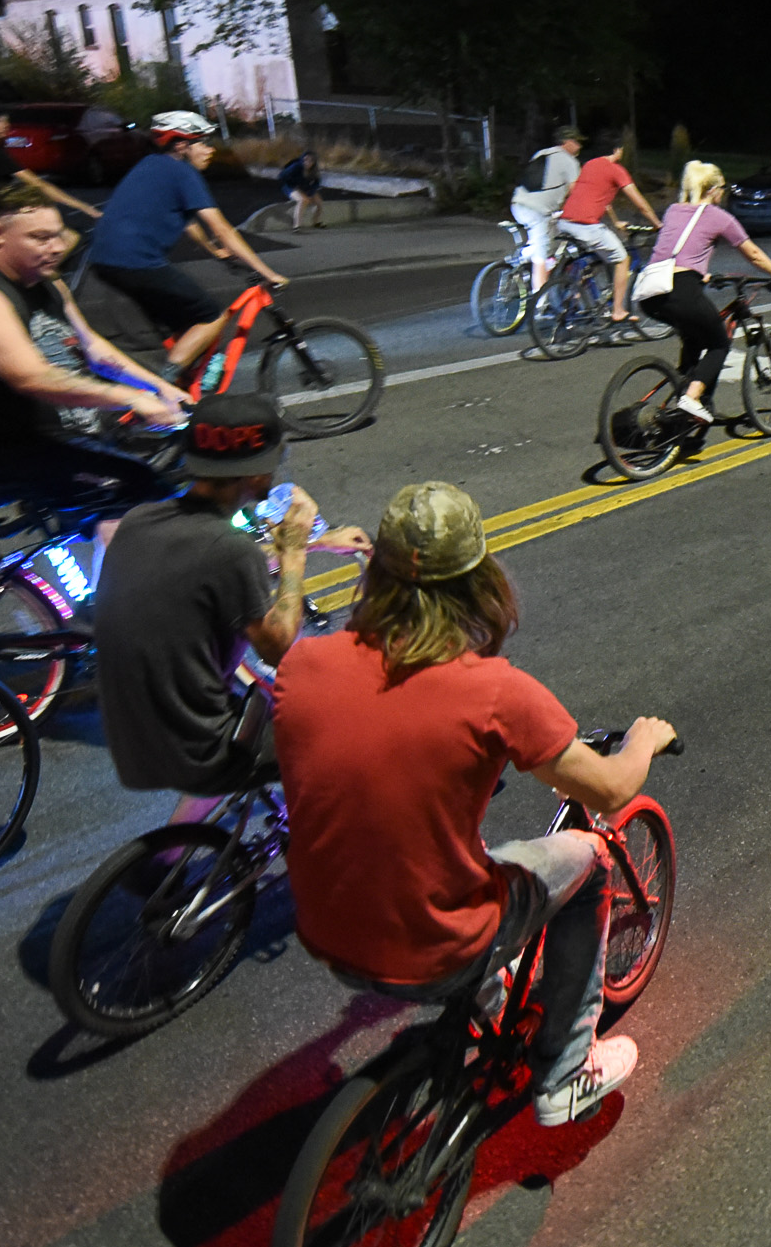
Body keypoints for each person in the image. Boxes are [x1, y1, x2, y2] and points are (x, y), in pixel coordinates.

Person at [274, 482, 674, 1128]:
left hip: (325, 934)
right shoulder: (494, 691)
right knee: (593, 859)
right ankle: (566, 1071)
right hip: (434, 946)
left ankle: (491, 991)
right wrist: (642, 740)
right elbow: (609, 790)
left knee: (444, 846)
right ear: (477, 583)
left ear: (373, 572)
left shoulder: (304, 664)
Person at [94, 395, 368, 826]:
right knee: (353, 724)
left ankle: (168, 854)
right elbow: (281, 648)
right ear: (259, 472)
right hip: (203, 755)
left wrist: (315, 542)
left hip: (133, 741)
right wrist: (295, 549)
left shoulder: (140, 521)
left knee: (250, 685)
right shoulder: (229, 550)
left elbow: (212, 566)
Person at [0, 182, 191, 514]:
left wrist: (158, 387)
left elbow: (95, 350)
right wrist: (131, 398)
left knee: (127, 501)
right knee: (152, 498)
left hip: (56, 433)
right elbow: (32, 378)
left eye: (58, 235)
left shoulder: (44, 281)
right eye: (41, 238)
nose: (57, 248)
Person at [83, 111, 291, 382]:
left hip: (104, 260)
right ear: (181, 145)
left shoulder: (151, 164)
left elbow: (188, 222)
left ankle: (182, 383)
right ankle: (164, 388)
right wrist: (267, 272)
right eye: (203, 142)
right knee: (211, 316)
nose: (210, 149)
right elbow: (222, 229)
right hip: (137, 261)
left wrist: (214, 252)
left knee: (184, 326)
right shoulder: (183, 172)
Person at [637, 162, 771, 426]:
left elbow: (679, 249)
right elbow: (753, 253)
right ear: (711, 190)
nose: (724, 193)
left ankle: (681, 409)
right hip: (681, 289)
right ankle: (692, 398)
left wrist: (703, 273)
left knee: (694, 339)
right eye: (722, 188)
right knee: (719, 343)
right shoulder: (718, 216)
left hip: (649, 291)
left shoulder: (673, 210)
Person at [553, 129, 660, 332]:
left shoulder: (589, 165)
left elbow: (601, 200)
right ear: (617, 150)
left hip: (565, 221)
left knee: (594, 257)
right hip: (586, 226)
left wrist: (616, 222)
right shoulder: (616, 169)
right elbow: (640, 204)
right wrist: (657, 223)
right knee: (622, 259)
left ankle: (579, 298)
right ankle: (618, 310)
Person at [0, 107, 95, 226]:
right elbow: (37, 183)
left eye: (6, 120)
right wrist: (82, 206)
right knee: (65, 236)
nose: (5, 125)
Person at [510, 127, 585, 293]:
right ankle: (539, 305)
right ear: (568, 142)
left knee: (551, 240)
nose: (579, 146)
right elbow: (575, 193)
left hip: (518, 205)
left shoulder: (541, 153)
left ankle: (530, 255)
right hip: (537, 212)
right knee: (541, 256)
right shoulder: (570, 162)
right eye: (577, 142)